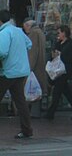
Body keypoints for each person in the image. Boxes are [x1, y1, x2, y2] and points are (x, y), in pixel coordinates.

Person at [0, 9, 33, 139]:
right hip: (21, 71)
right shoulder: (18, 31)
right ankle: (27, 130)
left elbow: (2, 52)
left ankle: (27, 130)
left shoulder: (4, 33)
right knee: (20, 101)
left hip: (8, 72)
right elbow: (29, 44)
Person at [45, 25, 72, 120]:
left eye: (59, 32)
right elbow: (52, 56)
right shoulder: (58, 43)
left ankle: (50, 113)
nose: (58, 35)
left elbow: (70, 58)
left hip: (64, 72)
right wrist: (53, 56)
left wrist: (60, 55)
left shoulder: (71, 45)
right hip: (58, 71)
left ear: (64, 33)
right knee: (67, 92)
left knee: (57, 92)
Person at [23, 18, 47, 117]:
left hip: (35, 68)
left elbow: (32, 53)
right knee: (37, 90)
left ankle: (34, 113)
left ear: (29, 26)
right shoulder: (40, 32)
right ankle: (36, 112)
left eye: (25, 28)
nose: (25, 30)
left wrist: (29, 68)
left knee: (32, 90)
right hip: (41, 66)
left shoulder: (33, 34)